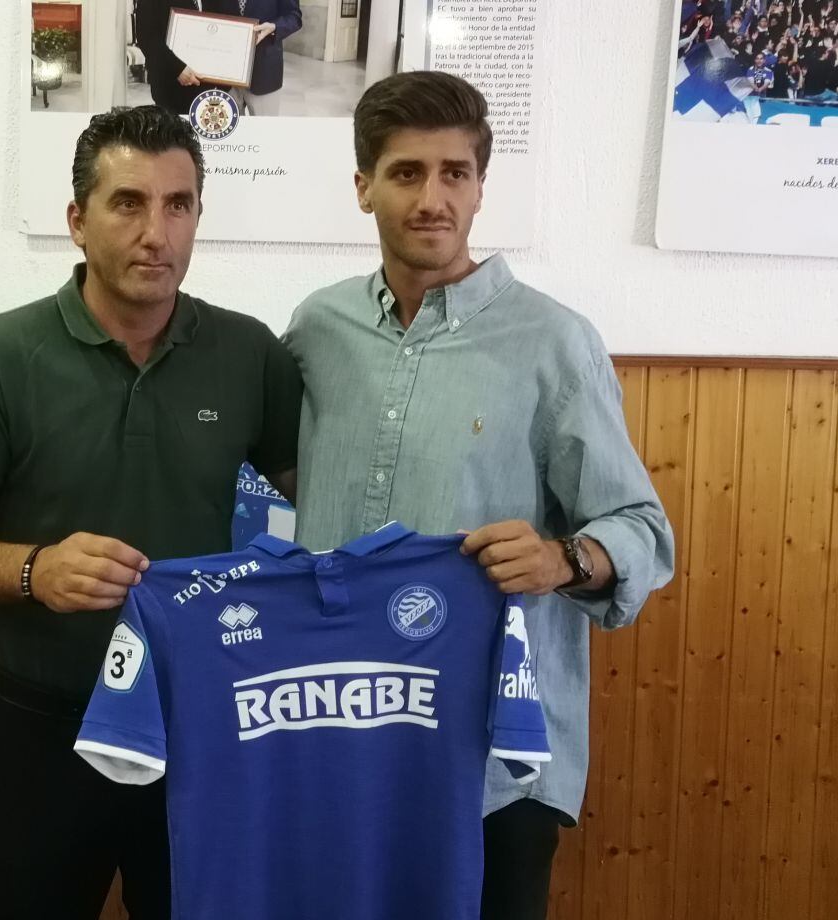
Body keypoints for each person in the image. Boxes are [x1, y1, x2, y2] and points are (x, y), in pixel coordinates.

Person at [282, 71, 674, 920]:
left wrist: (563, 558)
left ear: (480, 187)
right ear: (362, 188)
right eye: (407, 172)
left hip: (495, 759)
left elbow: (644, 528)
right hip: (339, 736)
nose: (433, 198)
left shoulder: (556, 344)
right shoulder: (316, 330)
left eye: (455, 172)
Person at [0, 105, 302, 920]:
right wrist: (33, 570)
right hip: (40, 730)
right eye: (128, 203)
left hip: (205, 729)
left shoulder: (251, 353)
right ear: (77, 222)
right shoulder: (0, 354)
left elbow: (315, 510)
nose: (156, 231)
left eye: (178, 204)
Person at [215, 0, 302, 115]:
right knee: (229, 129)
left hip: (264, 71)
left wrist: (274, 26)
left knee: (264, 130)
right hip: (226, 72)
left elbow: (294, 16)